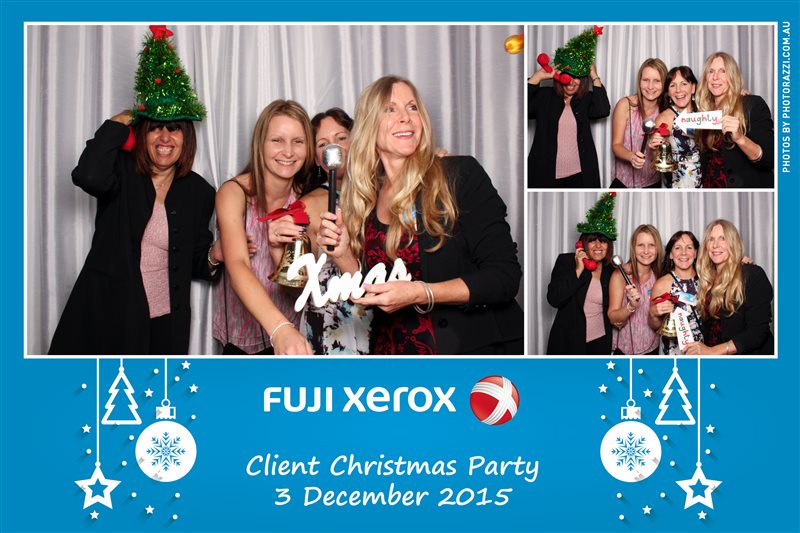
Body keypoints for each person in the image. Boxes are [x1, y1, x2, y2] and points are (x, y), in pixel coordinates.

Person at [322, 75, 523, 354]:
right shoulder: (368, 196)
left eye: (412, 107)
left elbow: (504, 277)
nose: (405, 117)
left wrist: (421, 292)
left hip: (468, 354)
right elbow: (372, 295)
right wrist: (343, 255)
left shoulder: (458, 175)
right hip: (396, 358)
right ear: (369, 125)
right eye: (390, 109)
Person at [49, 26, 219, 355]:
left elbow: (194, 261)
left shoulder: (200, 191)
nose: (165, 137)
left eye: (174, 129)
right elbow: (87, 175)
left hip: (165, 323)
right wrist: (124, 119)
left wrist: (215, 256)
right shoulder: (121, 171)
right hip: (106, 316)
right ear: (142, 134)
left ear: (186, 137)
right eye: (155, 128)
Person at [213, 100, 314, 355]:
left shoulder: (308, 199)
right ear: (260, 144)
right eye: (277, 140)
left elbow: (301, 288)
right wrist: (279, 328)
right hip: (244, 341)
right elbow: (237, 265)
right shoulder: (233, 193)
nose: (288, 151)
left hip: (294, 338)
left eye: (298, 141)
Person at [270, 108, 372, 354]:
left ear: (357, 140)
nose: (333, 147)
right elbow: (296, 287)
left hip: (386, 322)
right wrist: (276, 250)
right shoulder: (308, 206)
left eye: (341, 138)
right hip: (333, 333)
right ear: (316, 158)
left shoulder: (384, 191)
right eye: (323, 144)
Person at [685, 220, 773, 355]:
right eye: (711, 239)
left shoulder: (752, 274)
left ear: (733, 243)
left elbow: (758, 331)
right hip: (716, 358)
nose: (715, 245)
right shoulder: (708, 278)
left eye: (723, 238)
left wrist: (713, 351)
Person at [546, 192, 618, 355]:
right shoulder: (566, 262)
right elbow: (554, 299)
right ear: (583, 243)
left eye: (603, 241)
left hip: (599, 342)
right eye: (592, 240)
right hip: (568, 343)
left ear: (608, 246)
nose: (598, 245)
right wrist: (578, 270)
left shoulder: (611, 271)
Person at [695, 52, 774, 188]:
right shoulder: (704, 111)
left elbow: (770, 159)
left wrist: (740, 138)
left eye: (723, 71)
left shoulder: (752, 105)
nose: (715, 77)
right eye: (711, 71)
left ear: (732, 75)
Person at [527, 64, 610, 187]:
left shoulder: (586, 98)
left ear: (582, 80)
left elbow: (603, 110)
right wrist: (537, 77)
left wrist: (594, 76)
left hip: (580, 173)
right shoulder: (544, 95)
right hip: (545, 172)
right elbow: (523, 110)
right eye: (567, 76)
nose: (571, 81)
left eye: (576, 77)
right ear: (558, 77)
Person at [610, 58, 668, 188]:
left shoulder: (666, 112)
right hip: (623, 182)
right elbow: (616, 145)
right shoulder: (625, 105)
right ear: (639, 81)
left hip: (653, 182)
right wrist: (631, 156)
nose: (650, 86)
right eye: (646, 80)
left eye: (657, 81)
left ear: (664, 83)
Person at [608, 224, 663, 355]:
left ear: (658, 248)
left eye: (651, 245)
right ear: (633, 248)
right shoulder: (620, 275)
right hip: (623, 351)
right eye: (640, 245)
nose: (646, 251)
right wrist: (631, 306)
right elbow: (612, 317)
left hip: (652, 348)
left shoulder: (660, 276)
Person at [648, 231, 704, 355]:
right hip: (673, 353)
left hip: (704, 350)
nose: (683, 253)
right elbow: (654, 326)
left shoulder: (706, 280)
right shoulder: (662, 284)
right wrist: (653, 313)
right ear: (670, 254)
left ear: (695, 253)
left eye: (689, 247)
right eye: (678, 248)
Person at [648, 66, 703, 188]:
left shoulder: (704, 112)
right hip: (676, 183)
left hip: (705, 181)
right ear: (668, 91)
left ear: (693, 88)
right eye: (673, 85)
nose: (678, 90)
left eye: (684, 84)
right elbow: (657, 161)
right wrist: (654, 148)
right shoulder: (664, 119)